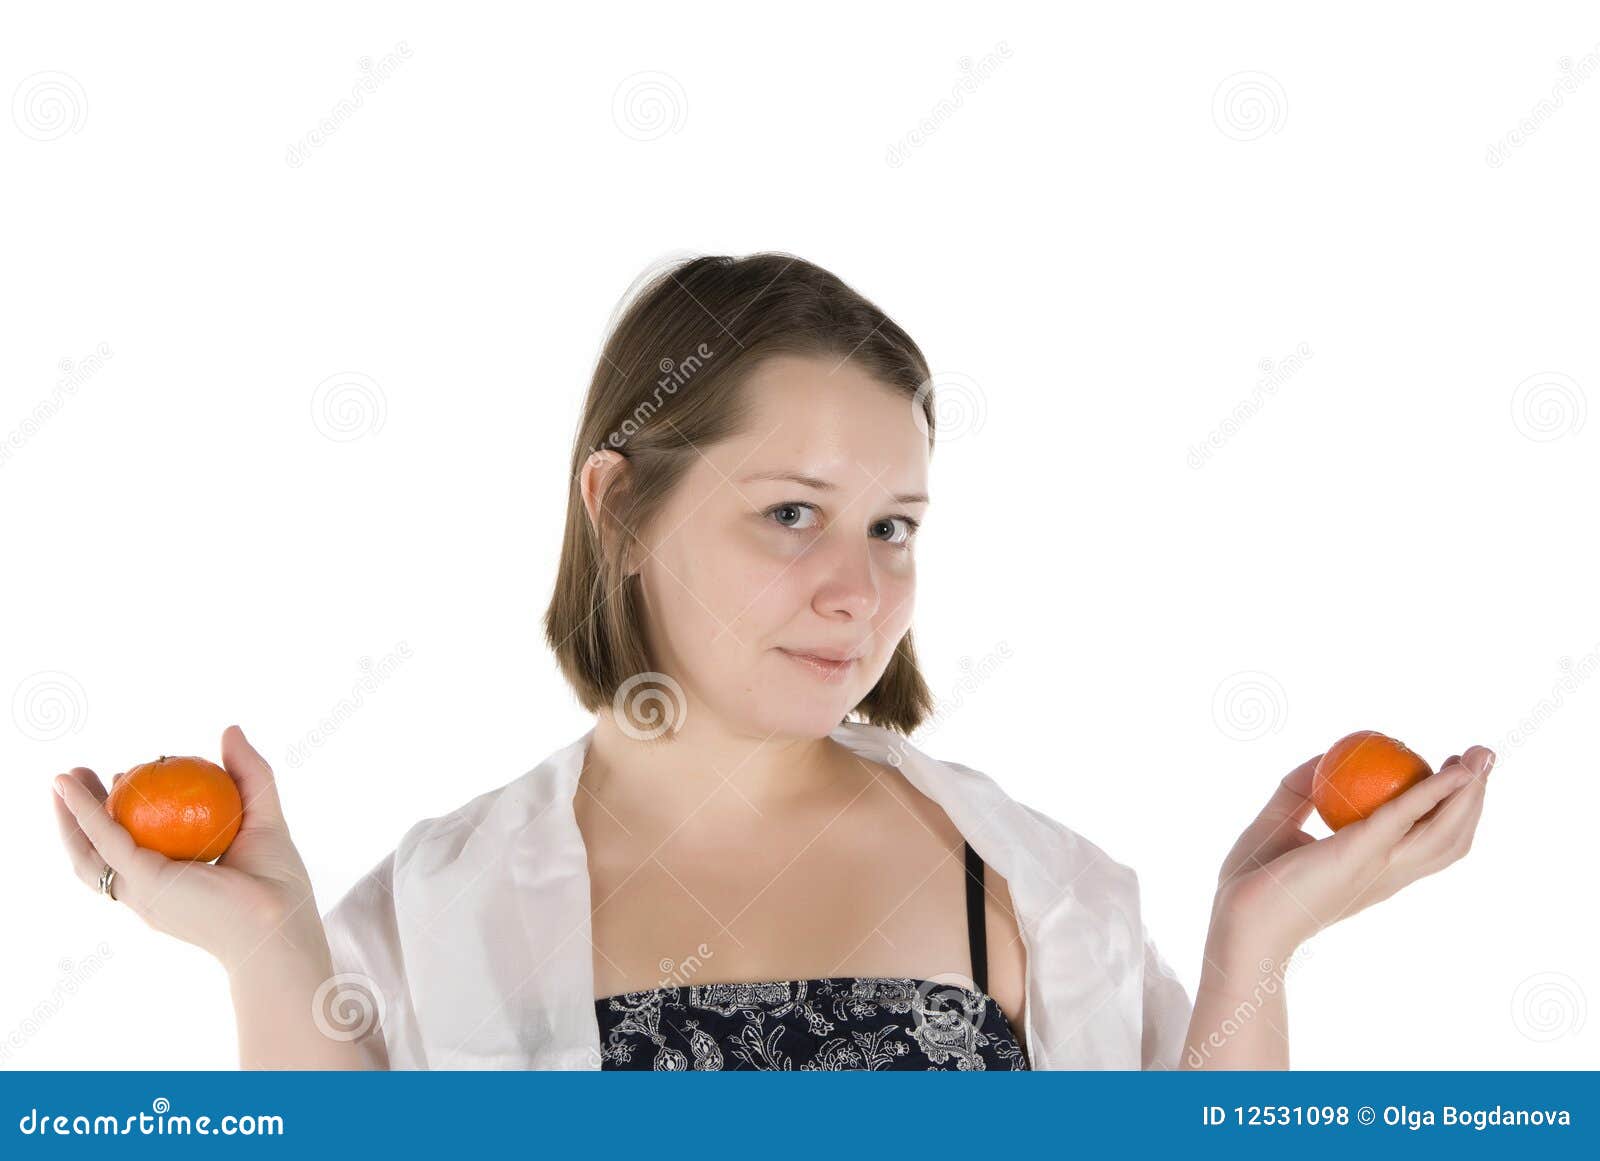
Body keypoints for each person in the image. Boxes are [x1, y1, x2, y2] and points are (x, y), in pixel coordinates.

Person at [51, 252, 1494, 1070]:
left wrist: (1256, 945)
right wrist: (263, 944)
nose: (858, 589)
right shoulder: (446, 903)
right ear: (619, 504)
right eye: (790, 512)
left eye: (894, 525)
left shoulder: (1036, 885)